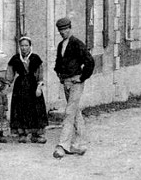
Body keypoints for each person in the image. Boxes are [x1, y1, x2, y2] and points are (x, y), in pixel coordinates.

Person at [52, 17, 95, 159]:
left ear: (70, 28)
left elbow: (90, 61)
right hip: (66, 82)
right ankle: (81, 144)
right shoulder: (60, 45)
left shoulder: (77, 43)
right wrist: (60, 75)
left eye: (65, 29)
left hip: (76, 83)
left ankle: (62, 146)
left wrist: (81, 77)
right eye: (60, 30)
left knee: (69, 112)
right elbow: (58, 63)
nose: (63, 32)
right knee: (75, 112)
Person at [7, 36, 48, 144]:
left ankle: (37, 134)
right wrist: (7, 83)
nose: (24, 48)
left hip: (33, 86)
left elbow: (40, 75)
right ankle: (22, 133)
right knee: (20, 109)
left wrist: (39, 87)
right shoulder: (15, 59)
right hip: (20, 87)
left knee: (35, 109)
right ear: (19, 47)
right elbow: (10, 74)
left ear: (30, 46)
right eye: (22, 46)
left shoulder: (36, 58)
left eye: (26, 45)